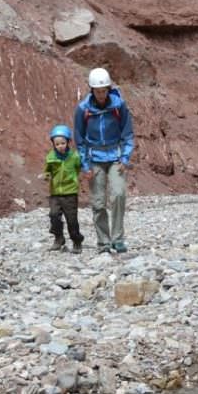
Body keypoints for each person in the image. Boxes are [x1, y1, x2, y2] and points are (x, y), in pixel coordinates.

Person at [74, 67, 134, 254]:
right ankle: (103, 242)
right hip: (94, 159)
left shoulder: (118, 106)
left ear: (108, 89)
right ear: (92, 90)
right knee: (98, 203)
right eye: (97, 91)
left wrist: (125, 157)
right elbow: (79, 138)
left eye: (104, 90)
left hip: (116, 156)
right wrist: (85, 164)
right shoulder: (83, 109)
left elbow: (128, 133)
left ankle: (117, 239)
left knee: (118, 195)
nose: (101, 95)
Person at [43, 124, 84, 254]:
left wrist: (73, 179)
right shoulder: (50, 157)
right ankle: (58, 238)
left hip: (70, 193)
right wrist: (46, 176)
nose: (60, 146)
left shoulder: (75, 157)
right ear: (53, 145)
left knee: (71, 219)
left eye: (63, 143)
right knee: (54, 215)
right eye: (57, 144)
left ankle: (77, 241)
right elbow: (48, 171)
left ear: (68, 142)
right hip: (55, 193)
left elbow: (79, 168)